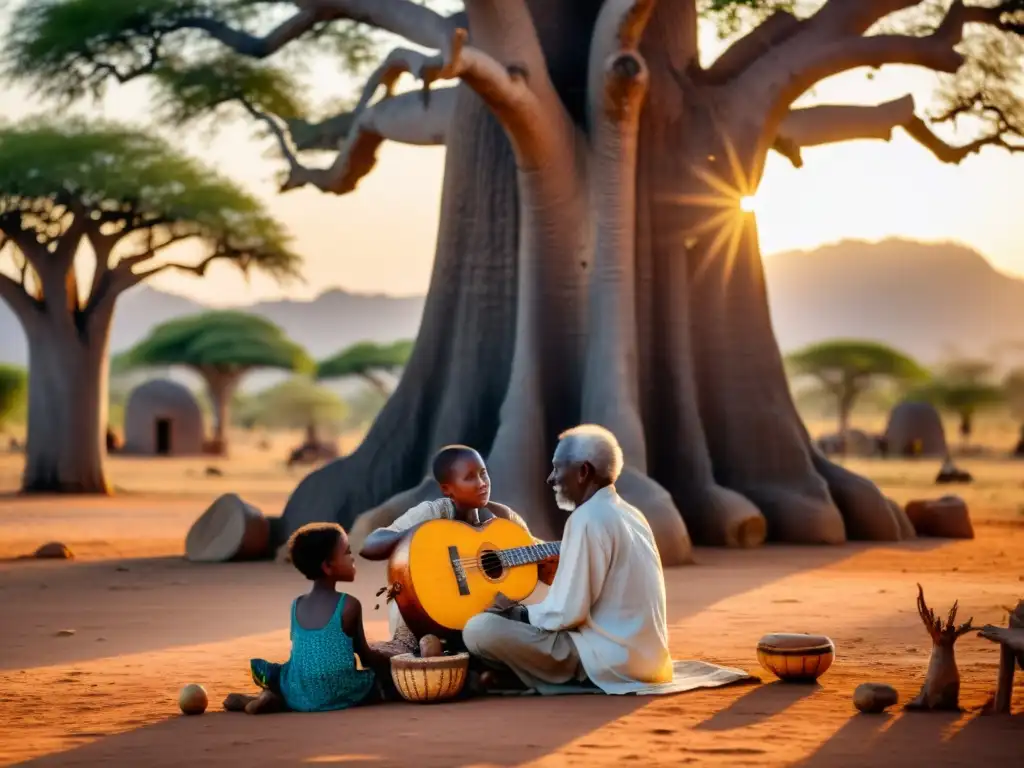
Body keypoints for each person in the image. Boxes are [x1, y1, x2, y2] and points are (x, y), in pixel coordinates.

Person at [461, 424, 675, 695]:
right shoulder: (631, 513)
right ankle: (519, 674)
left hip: (608, 661)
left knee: (479, 629)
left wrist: (514, 612)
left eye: (558, 468)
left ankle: (527, 677)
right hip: (648, 661)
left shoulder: (586, 519)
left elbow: (567, 613)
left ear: (584, 472)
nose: (551, 479)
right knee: (511, 617)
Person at [359, 444, 557, 654]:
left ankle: (461, 661)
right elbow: (371, 545)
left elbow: (536, 556)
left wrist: (551, 566)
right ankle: (416, 649)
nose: (482, 483)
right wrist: (419, 531)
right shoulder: (434, 512)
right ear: (447, 489)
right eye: (470, 477)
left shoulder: (505, 519)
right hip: (427, 617)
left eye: (483, 474)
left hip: (485, 619)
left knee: (525, 620)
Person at [223, 523, 392, 714]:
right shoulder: (349, 605)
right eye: (347, 552)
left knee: (284, 674)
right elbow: (365, 656)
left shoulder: (297, 605)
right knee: (379, 684)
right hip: (337, 692)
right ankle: (271, 697)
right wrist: (389, 662)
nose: (352, 557)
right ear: (327, 566)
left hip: (298, 693)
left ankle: (269, 696)